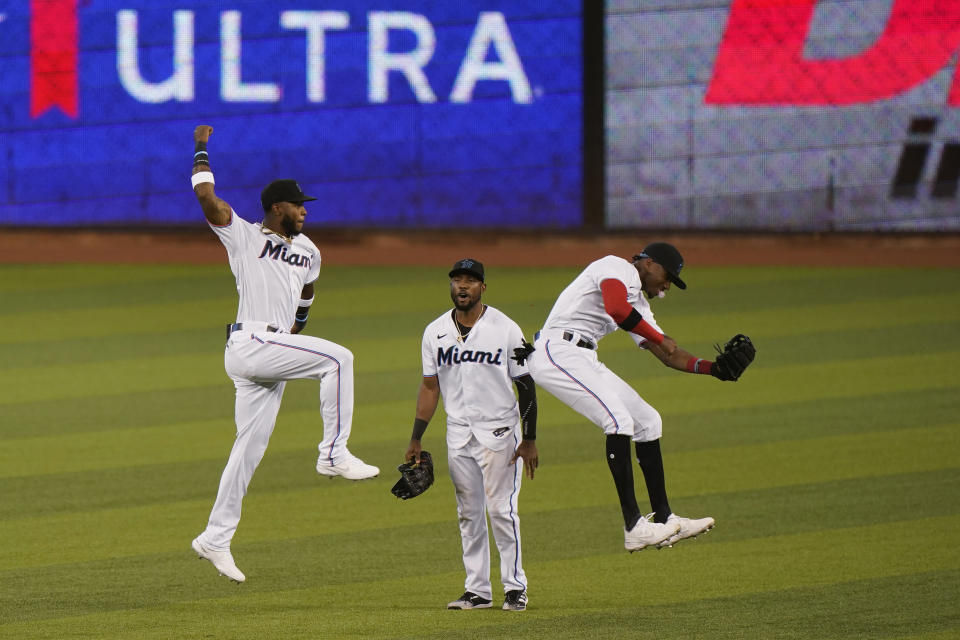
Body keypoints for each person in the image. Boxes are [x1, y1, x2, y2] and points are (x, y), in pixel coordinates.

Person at [188, 124, 378, 583]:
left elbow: (307, 288)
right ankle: (332, 453)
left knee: (247, 451)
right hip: (250, 343)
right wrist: (200, 148)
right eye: (298, 206)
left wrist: (299, 328)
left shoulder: (310, 250)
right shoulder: (245, 236)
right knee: (339, 359)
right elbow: (208, 199)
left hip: (271, 349)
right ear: (277, 209)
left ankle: (215, 537)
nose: (304, 212)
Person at [520, 242, 717, 553]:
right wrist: (659, 337)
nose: (666, 287)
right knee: (618, 420)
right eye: (667, 277)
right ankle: (633, 526)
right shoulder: (617, 267)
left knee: (648, 421)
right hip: (555, 351)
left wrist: (714, 368)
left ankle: (666, 520)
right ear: (649, 263)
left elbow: (669, 354)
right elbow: (616, 307)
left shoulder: (638, 301)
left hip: (583, 356)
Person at [405, 259, 539, 612]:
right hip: (458, 433)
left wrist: (530, 438)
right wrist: (416, 438)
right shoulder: (434, 332)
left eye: (470, 281)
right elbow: (430, 386)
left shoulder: (506, 329)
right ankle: (477, 590)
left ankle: (515, 588)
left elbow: (525, 384)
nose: (462, 286)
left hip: (500, 433)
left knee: (500, 510)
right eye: (457, 280)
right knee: (468, 512)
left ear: (483, 287)